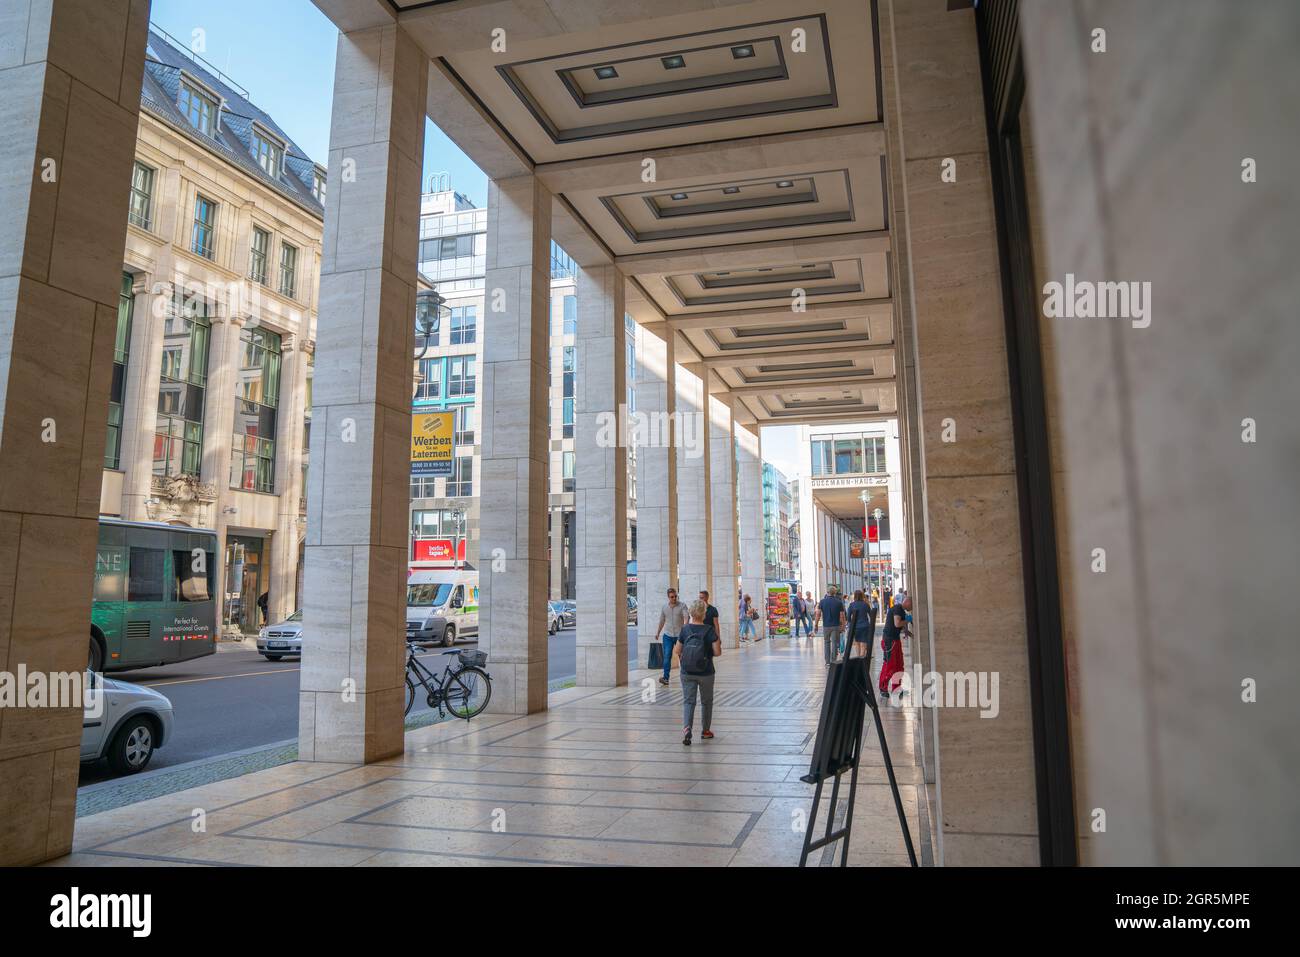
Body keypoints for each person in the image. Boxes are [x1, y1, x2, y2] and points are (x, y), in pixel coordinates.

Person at [673, 599, 722, 746]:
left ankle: (687, 728)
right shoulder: (709, 630)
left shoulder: (685, 629)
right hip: (706, 672)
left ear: (691, 613)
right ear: (704, 613)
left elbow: (677, 651)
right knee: (706, 702)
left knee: (689, 701)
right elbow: (717, 652)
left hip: (687, 672)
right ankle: (705, 731)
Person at [880, 595, 911, 698]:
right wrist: (908, 619)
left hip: (895, 640)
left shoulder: (901, 610)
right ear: (907, 602)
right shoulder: (898, 608)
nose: (912, 608)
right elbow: (897, 623)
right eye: (912, 605)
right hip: (889, 641)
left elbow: (899, 626)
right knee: (890, 665)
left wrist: (908, 632)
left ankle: (897, 688)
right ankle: (883, 688)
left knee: (899, 665)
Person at [654, 587, 687, 686]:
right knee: (667, 656)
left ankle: (685, 676)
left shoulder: (682, 606)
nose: (674, 598)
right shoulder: (664, 607)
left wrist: (685, 628)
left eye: (675, 596)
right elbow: (662, 621)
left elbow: (686, 617)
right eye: (672, 597)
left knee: (682, 657)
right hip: (668, 635)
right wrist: (658, 632)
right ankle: (666, 678)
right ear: (668, 597)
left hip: (679, 636)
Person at [813, 585, 846, 666]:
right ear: (835, 593)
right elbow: (842, 616)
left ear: (827, 592)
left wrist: (816, 625)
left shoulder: (822, 601)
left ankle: (827, 662)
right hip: (836, 626)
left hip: (826, 626)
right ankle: (833, 660)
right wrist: (843, 626)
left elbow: (818, 614)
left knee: (827, 643)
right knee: (835, 643)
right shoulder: (839, 602)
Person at [846, 588, 874, 659]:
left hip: (855, 627)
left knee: (857, 643)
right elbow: (871, 615)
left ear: (854, 596)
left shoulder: (852, 605)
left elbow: (848, 617)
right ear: (862, 596)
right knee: (863, 643)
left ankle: (858, 658)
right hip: (865, 626)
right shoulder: (865, 604)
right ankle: (862, 658)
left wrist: (850, 623)